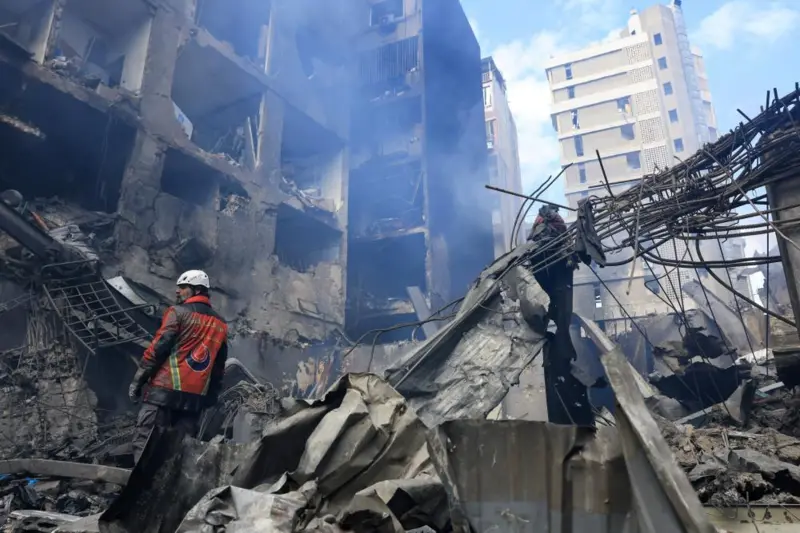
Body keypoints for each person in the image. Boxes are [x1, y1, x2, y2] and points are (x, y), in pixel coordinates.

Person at [128, 270, 228, 462]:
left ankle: (140, 479)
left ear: (197, 290)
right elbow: (219, 366)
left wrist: (138, 381)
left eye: (183, 287)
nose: (177, 291)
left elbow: (158, 349)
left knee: (146, 440)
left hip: (164, 391)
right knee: (178, 451)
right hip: (194, 399)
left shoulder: (177, 313)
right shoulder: (221, 324)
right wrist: (210, 397)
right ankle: (165, 481)